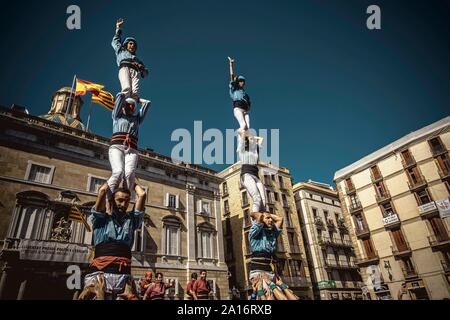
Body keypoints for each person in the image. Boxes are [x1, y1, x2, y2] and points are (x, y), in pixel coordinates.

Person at [79, 183, 146, 300]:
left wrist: (131, 181)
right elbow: (102, 191)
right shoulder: (101, 219)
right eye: (120, 200)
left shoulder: (132, 220)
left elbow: (142, 194)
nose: (124, 204)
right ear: (112, 200)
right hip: (101, 275)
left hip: (123, 276)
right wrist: (115, 178)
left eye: (127, 201)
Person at [107, 92, 150, 201]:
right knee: (118, 172)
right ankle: (108, 199)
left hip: (132, 149)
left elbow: (148, 103)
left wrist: (137, 99)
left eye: (132, 105)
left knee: (130, 173)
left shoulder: (137, 119)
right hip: (117, 147)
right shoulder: (116, 115)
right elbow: (119, 96)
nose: (130, 107)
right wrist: (128, 94)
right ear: (122, 106)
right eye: (127, 105)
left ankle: (125, 198)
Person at [248, 212, 297, 300]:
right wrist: (262, 215)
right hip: (258, 272)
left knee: (282, 294)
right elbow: (255, 214)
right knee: (269, 296)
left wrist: (268, 215)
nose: (271, 220)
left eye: (271, 218)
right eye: (268, 218)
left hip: (270, 272)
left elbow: (280, 219)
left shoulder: (272, 233)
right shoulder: (254, 233)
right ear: (261, 220)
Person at [112, 18, 149, 101]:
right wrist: (118, 28)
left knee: (135, 92)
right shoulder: (121, 51)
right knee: (127, 87)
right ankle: (122, 103)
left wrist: (142, 68)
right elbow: (115, 41)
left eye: (134, 45)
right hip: (125, 67)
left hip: (135, 71)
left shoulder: (137, 60)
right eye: (130, 44)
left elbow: (146, 73)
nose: (132, 46)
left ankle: (132, 107)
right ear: (126, 44)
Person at [238, 134, 266, 214]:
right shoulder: (243, 149)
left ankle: (262, 221)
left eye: (253, 140)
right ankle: (255, 222)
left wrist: (252, 137)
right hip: (247, 175)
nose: (253, 140)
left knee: (264, 201)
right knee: (257, 198)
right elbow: (241, 132)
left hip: (256, 177)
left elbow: (261, 138)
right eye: (251, 139)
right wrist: (247, 136)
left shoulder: (256, 149)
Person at [228, 57, 251, 136]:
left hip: (245, 111)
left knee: (247, 128)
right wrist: (231, 65)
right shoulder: (235, 88)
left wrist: (248, 108)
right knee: (243, 126)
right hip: (238, 108)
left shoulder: (245, 94)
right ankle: (240, 136)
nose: (242, 83)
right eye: (240, 81)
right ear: (238, 82)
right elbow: (232, 76)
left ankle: (245, 144)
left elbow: (249, 104)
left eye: (243, 81)